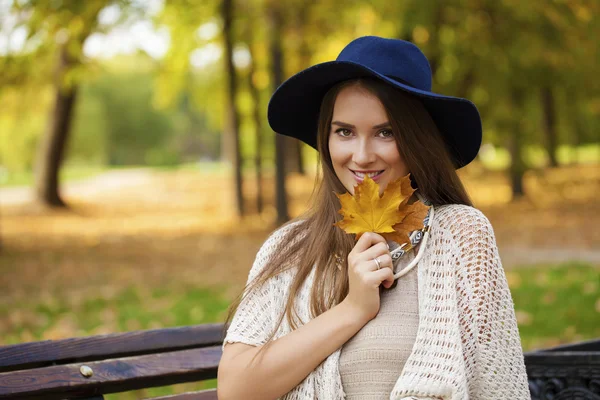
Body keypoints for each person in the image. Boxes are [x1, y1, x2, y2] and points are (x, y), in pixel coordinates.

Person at [217, 36, 530, 400]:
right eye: (344, 131)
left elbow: (495, 387)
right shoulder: (290, 247)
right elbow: (235, 389)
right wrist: (353, 309)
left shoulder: (460, 235)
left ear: (417, 140)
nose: (362, 156)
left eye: (385, 132)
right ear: (326, 138)